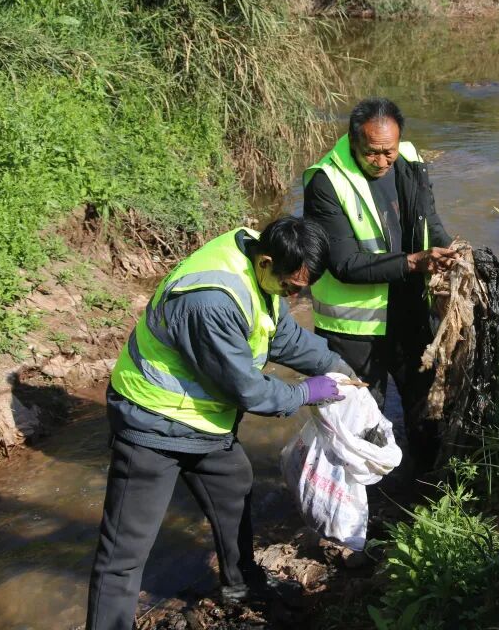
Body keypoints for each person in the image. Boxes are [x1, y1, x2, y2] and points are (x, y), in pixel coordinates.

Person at [87, 216, 356, 630]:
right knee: (125, 551)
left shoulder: (258, 263)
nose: (295, 295)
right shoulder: (210, 301)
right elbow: (247, 390)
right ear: (266, 261)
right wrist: (307, 391)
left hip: (205, 425)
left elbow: (280, 334)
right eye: (291, 287)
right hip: (152, 425)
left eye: (303, 289)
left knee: (234, 486)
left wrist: (336, 367)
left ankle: (241, 587)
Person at [302, 97, 457, 471]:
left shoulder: (408, 159)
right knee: (359, 420)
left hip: (410, 313)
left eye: (389, 152)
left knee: (426, 406)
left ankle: (425, 485)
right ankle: (362, 510)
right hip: (356, 331)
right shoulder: (325, 183)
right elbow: (345, 264)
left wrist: (450, 253)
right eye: (373, 153)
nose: (383, 162)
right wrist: (415, 261)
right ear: (354, 141)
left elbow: (429, 221)